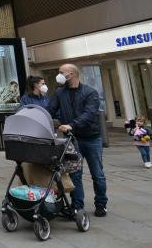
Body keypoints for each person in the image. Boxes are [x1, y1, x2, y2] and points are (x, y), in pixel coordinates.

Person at [46, 63, 108, 217]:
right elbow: (50, 110)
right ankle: (77, 206)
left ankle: (101, 204)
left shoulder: (90, 92)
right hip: (72, 140)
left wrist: (71, 125)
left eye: (61, 72)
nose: (58, 75)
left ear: (71, 74)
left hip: (91, 138)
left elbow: (89, 114)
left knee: (97, 174)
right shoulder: (60, 93)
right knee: (75, 174)